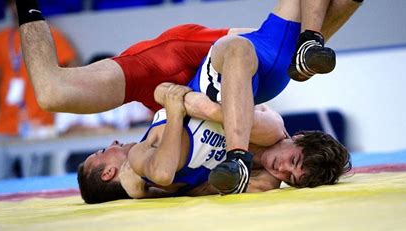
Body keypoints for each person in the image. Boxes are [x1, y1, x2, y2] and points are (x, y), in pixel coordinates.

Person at [0, 0, 406, 185]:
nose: (283, 171)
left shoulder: (147, 170)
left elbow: (154, 172)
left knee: (52, 93)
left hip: (183, 78)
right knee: (282, 57)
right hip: (193, 66)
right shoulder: (266, 140)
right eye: (294, 165)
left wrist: (178, 115)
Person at [77, 83, 351, 203]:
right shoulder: (268, 127)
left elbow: (198, 190)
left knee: (152, 176)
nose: (281, 170)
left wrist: (154, 193)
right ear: (299, 138)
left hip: (173, 147)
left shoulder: (264, 180)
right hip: (189, 93)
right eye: (293, 161)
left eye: (290, 179)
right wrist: (174, 107)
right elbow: (199, 105)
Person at [0, 0, 80, 180]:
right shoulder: (0, 39)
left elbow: (73, 67)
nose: (16, 7)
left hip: (39, 123)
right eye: (12, 3)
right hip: (3, 125)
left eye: (19, 1)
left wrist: (62, 107)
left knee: (34, 182)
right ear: (7, 6)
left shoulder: (49, 34)